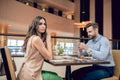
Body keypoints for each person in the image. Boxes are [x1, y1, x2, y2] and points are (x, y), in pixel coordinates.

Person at [17, 16, 53, 80]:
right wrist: (48, 41)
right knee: (57, 78)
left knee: (54, 75)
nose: (43, 26)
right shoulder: (36, 39)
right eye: (40, 24)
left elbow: (46, 54)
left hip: (26, 72)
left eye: (44, 24)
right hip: (30, 75)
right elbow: (50, 57)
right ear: (35, 26)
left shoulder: (32, 38)